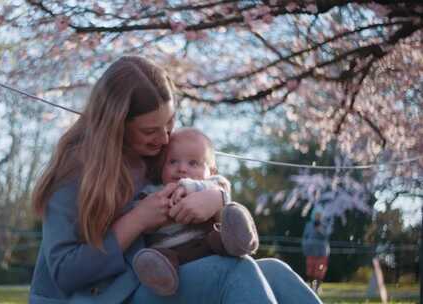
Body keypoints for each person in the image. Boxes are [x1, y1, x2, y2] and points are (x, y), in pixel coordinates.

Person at [29, 55, 323, 304]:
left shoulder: (154, 154)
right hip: (99, 295)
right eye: (150, 130)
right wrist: (138, 221)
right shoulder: (74, 173)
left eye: (169, 123)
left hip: (152, 277)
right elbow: (64, 272)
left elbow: (202, 170)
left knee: (275, 271)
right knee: (233, 272)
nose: (166, 137)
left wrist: (217, 195)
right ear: (117, 125)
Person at [132, 127, 259, 296]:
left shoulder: (209, 186)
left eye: (193, 163)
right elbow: (139, 210)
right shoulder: (154, 191)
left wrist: (191, 187)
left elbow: (222, 186)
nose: (182, 169)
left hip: (208, 245)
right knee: (158, 258)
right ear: (161, 167)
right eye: (173, 162)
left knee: (222, 236)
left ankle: (239, 241)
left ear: (211, 171)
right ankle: (159, 275)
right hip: (173, 255)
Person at [302, 206, 332, 294]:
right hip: (310, 251)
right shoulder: (308, 225)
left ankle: (318, 287)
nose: (318, 216)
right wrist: (305, 245)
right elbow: (305, 237)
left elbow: (327, 235)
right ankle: (311, 287)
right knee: (310, 271)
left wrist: (320, 230)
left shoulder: (325, 225)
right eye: (316, 215)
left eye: (319, 215)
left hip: (322, 252)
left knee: (320, 271)